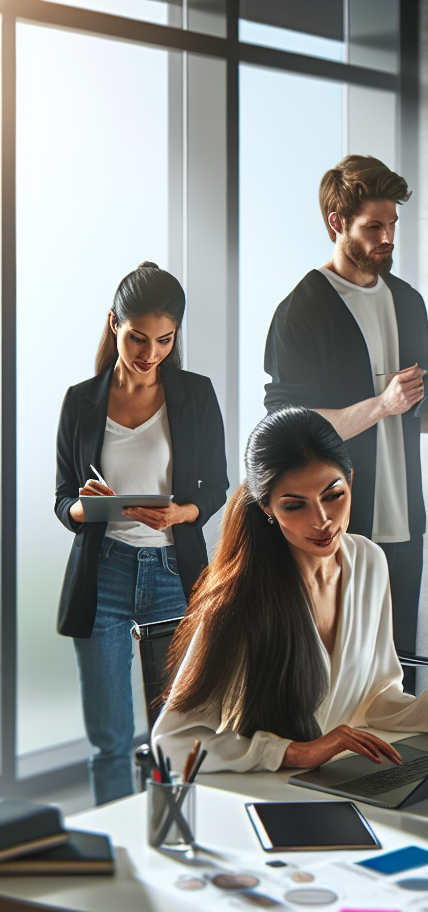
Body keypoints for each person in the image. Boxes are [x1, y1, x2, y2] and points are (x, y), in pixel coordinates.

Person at [151, 407, 428, 773]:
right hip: (272, 790)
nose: (322, 521)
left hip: (346, 775)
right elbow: (169, 743)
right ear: (266, 508)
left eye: (333, 495)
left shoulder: (369, 562)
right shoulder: (242, 597)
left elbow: (377, 698)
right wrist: (294, 752)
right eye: (295, 505)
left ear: (351, 480)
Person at [263, 155, 428, 677]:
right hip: (335, 525)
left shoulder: (409, 302)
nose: (387, 237)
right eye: (374, 226)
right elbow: (287, 426)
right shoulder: (301, 311)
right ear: (336, 224)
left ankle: (399, 764)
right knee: (335, 673)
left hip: (405, 523)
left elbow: (419, 418)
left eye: (393, 224)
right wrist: (381, 405)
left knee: (398, 670)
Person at [55, 263, 229, 805]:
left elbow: (217, 486)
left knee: (175, 737)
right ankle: (118, 857)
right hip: (102, 573)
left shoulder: (196, 395)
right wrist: (88, 509)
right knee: (109, 743)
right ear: (113, 325)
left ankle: (177, 848)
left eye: (163, 340)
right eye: (136, 338)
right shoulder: (80, 400)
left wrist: (183, 513)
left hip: (173, 577)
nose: (149, 352)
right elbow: (63, 499)